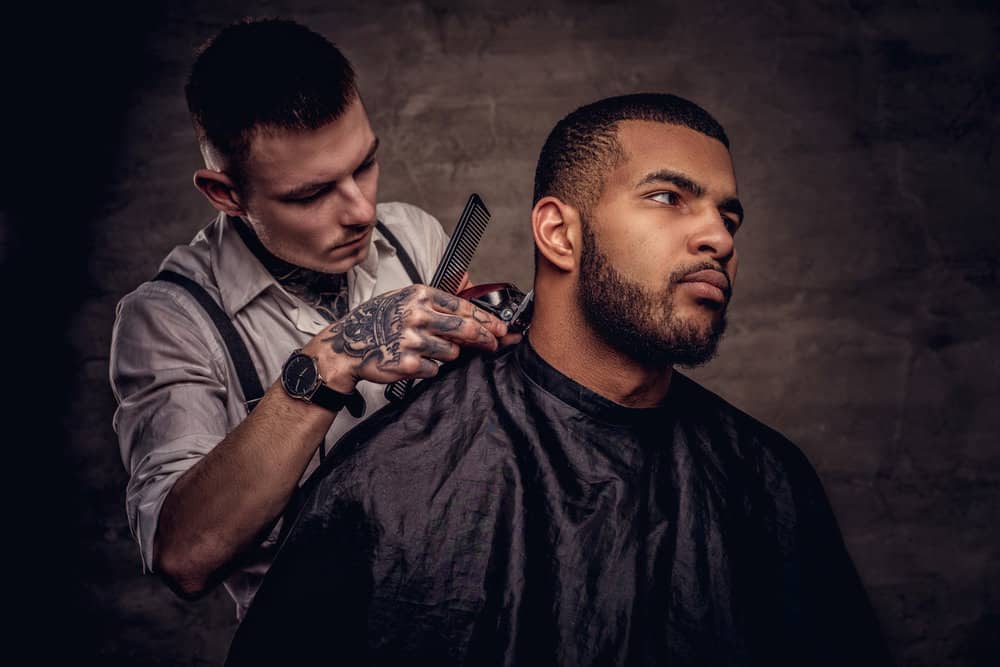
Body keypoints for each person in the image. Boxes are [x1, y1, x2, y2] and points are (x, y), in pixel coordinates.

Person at [225, 93, 892, 665]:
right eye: (669, 197)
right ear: (557, 232)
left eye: (729, 216)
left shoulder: (769, 480)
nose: (718, 236)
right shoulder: (385, 480)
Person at [108, 18, 509, 619]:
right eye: (310, 194)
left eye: (365, 165)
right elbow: (184, 555)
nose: (362, 210)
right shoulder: (169, 322)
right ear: (226, 194)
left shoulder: (412, 237)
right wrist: (335, 356)